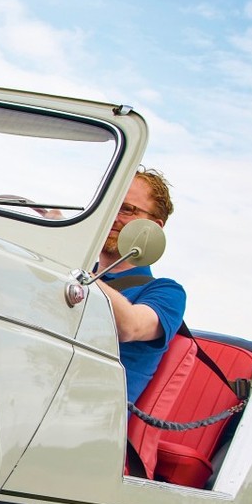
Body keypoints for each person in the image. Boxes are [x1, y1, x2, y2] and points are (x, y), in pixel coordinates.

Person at [93, 168, 185, 403]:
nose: (113, 215)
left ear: (154, 227)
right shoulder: (73, 270)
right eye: (110, 204)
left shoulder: (167, 292)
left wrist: (73, 266)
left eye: (127, 209)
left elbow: (130, 327)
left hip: (92, 417)